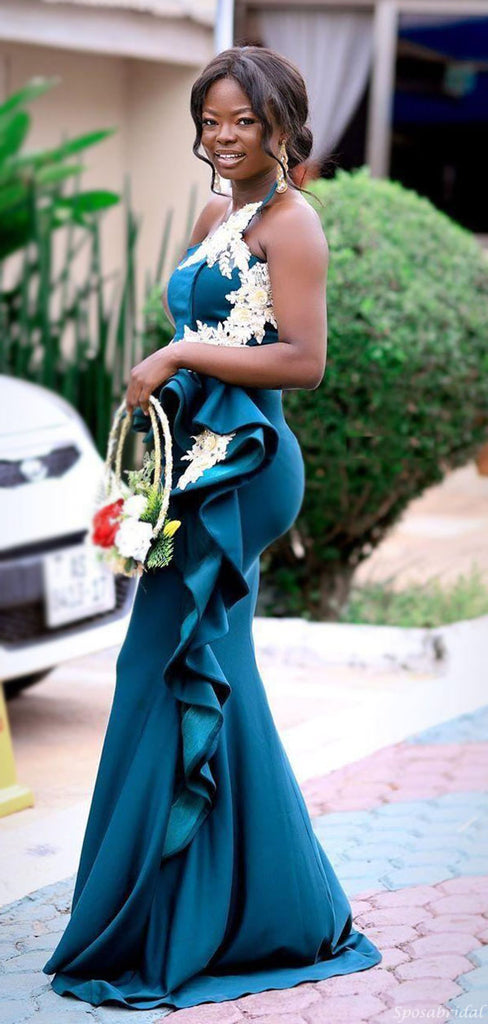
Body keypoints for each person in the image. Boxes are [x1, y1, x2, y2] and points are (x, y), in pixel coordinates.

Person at [42, 45, 382, 1012]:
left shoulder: (294, 224)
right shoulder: (215, 215)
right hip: (189, 462)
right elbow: (206, 332)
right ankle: (215, 901)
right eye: (211, 121)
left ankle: (209, 914)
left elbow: (304, 361)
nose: (224, 137)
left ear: (283, 126)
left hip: (246, 470)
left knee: (184, 664)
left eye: (244, 121)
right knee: (175, 671)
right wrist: (169, 380)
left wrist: (178, 353)